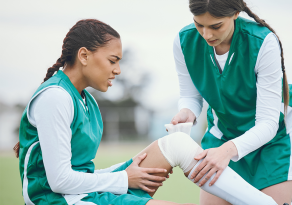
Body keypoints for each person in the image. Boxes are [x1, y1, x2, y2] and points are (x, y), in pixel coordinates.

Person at [14, 19, 278, 205]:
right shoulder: (56, 97)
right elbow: (59, 182)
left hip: (83, 188)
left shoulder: (84, 99)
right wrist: (123, 179)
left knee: (177, 143)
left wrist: (124, 173)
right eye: (112, 61)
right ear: (84, 56)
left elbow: (80, 173)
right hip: (58, 200)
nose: (117, 70)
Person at [171, 0, 292, 204]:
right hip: (225, 133)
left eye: (216, 26)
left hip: (275, 136)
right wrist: (187, 111)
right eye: (199, 24)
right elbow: (190, 95)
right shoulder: (183, 41)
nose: (207, 35)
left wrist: (227, 152)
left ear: (236, 13)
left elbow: (268, 123)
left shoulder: (263, 41)